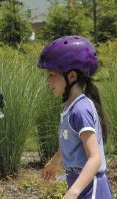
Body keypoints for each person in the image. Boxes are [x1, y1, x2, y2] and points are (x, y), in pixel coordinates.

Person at [38, 36, 113, 199]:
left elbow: (95, 159)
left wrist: (73, 192)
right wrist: (56, 161)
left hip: (91, 189)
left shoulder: (80, 109)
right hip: (81, 185)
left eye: (51, 75)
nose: (47, 81)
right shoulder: (69, 106)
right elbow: (71, 141)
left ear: (71, 76)